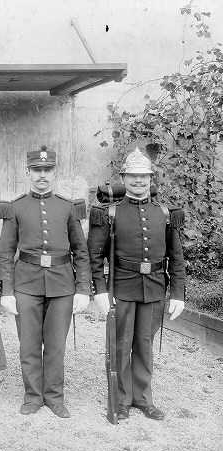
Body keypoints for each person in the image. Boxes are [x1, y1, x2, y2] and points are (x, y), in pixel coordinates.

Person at [88, 147, 185, 421]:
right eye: (133, 176)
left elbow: (176, 257)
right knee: (120, 345)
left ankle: (143, 398)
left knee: (144, 344)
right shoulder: (110, 213)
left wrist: (178, 293)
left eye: (144, 176)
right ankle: (121, 400)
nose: (139, 181)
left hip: (154, 287)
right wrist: (100, 290)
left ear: (151, 179)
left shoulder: (164, 213)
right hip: (122, 288)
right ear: (123, 178)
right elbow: (94, 257)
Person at [0, 146, 90, 418]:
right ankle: (33, 396)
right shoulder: (15, 207)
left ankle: (54, 397)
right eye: (37, 170)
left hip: (62, 285)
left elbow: (80, 251)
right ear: (28, 172)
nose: (42, 175)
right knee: (28, 345)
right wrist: (6, 291)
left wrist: (83, 288)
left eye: (47, 170)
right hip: (26, 284)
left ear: (54, 172)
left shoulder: (68, 207)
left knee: (56, 346)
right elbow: (5, 252)